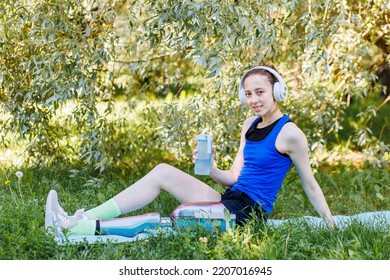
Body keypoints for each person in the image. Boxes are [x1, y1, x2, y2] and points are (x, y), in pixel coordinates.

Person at [45, 65, 334, 238]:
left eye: (260, 92)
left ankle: (75, 230)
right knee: (162, 172)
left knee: (177, 218)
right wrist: (210, 170)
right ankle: (78, 217)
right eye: (248, 93)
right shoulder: (250, 124)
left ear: (277, 92)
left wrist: (331, 226)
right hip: (230, 199)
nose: (254, 100)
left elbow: (310, 183)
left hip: (247, 216)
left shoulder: (290, 134)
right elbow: (234, 177)